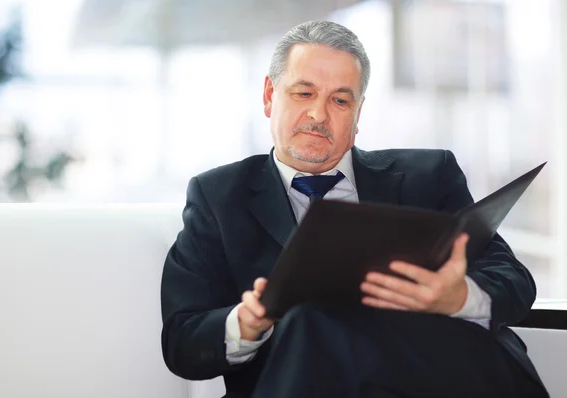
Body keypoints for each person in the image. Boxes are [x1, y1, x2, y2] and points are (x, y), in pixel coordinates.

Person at [160, 20, 548, 398]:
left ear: (358, 113)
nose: (318, 115)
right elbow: (183, 341)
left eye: (340, 100)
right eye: (303, 93)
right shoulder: (218, 196)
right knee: (308, 323)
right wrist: (245, 324)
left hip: (430, 373)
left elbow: (513, 279)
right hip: (299, 379)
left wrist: (459, 298)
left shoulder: (429, 176)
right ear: (268, 95)